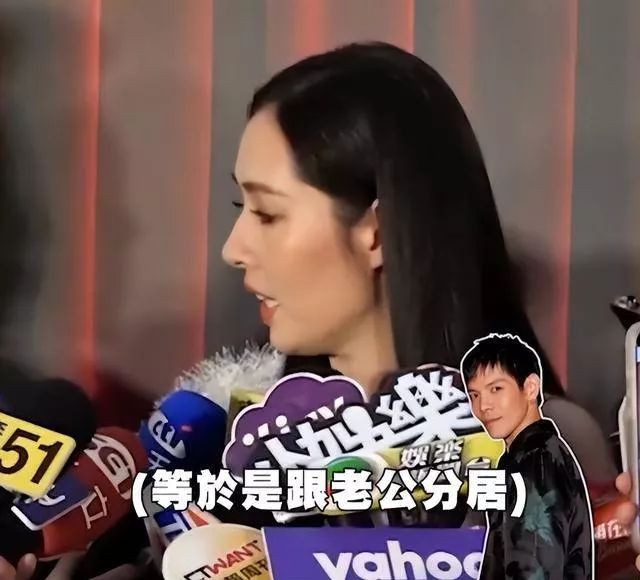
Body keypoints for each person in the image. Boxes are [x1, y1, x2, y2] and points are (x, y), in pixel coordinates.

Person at [1, 40, 638, 578]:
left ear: (378, 233)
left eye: (268, 213)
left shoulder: (542, 445)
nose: (233, 249)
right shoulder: (222, 441)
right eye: (240, 208)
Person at [461, 333, 593, 578]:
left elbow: (535, 566)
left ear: (530, 388)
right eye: (474, 395)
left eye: (496, 389)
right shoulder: (524, 458)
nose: (483, 406)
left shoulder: (537, 460)